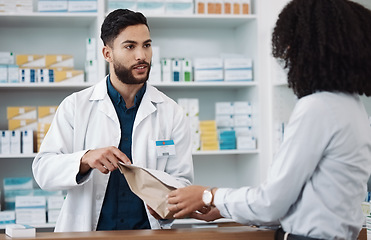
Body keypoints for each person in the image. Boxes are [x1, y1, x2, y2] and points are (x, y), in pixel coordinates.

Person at [167, 0, 371, 239]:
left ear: (312, 47)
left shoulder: (318, 108)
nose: (286, 53)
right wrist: (224, 207)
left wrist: (209, 195)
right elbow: (303, 202)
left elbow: (270, 202)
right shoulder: (352, 107)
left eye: (292, 44)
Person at [32, 9, 193, 232]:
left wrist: (166, 205)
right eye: (130, 46)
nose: (142, 56)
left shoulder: (171, 112)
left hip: (148, 233)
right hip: (89, 233)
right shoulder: (76, 106)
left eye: (146, 45)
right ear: (107, 54)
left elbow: (183, 182)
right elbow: (43, 171)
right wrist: (85, 159)